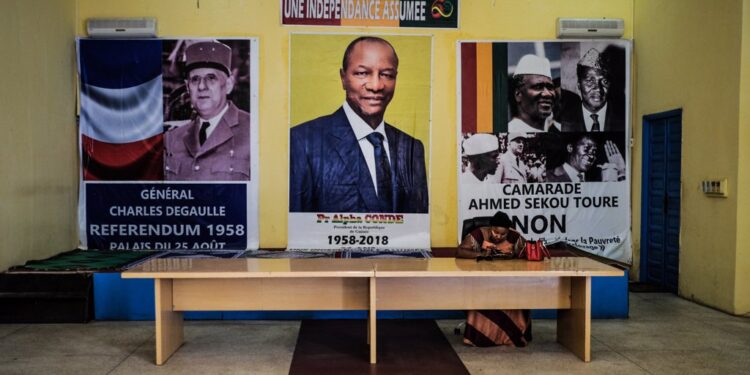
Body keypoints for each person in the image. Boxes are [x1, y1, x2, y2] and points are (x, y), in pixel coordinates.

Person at [289, 36, 428, 213]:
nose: (376, 86)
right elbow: (297, 227)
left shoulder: (412, 148)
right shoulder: (302, 142)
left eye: (386, 74)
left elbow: (418, 227)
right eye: (362, 73)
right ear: (343, 78)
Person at [164, 41, 251, 181]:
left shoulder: (254, 131)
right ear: (187, 87)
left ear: (228, 85)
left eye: (211, 78)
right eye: (195, 79)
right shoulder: (171, 139)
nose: (202, 86)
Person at [457, 211, 532, 347]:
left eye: (503, 234)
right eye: (496, 233)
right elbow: (460, 251)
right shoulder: (479, 234)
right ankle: (479, 337)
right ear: (490, 227)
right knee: (483, 294)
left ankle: (513, 336)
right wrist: (481, 254)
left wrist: (514, 253)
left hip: (507, 279)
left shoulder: (514, 236)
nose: (499, 236)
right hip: (482, 279)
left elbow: (526, 251)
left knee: (518, 295)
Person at [559, 48, 625, 132]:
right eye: (590, 81)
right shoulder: (564, 121)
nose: (598, 88)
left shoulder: (624, 119)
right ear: (579, 85)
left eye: (604, 81)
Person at [508, 54, 561, 133]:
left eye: (550, 87)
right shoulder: (512, 131)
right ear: (518, 94)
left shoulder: (557, 128)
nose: (548, 94)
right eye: (538, 87)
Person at [547, 134, 625, 182]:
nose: (591, 156)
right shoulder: (548, 178)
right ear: (570, 148)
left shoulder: (598, 179)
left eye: (594, 152)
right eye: (586, 149)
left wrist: (621, 172)